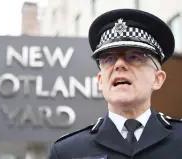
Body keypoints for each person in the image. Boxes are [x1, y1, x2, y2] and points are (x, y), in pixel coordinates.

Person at [48, 9, 182, 159]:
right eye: (108, 59)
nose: (119, 65)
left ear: (158, 79)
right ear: (100, 81)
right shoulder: (67, 152)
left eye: (134, 57)